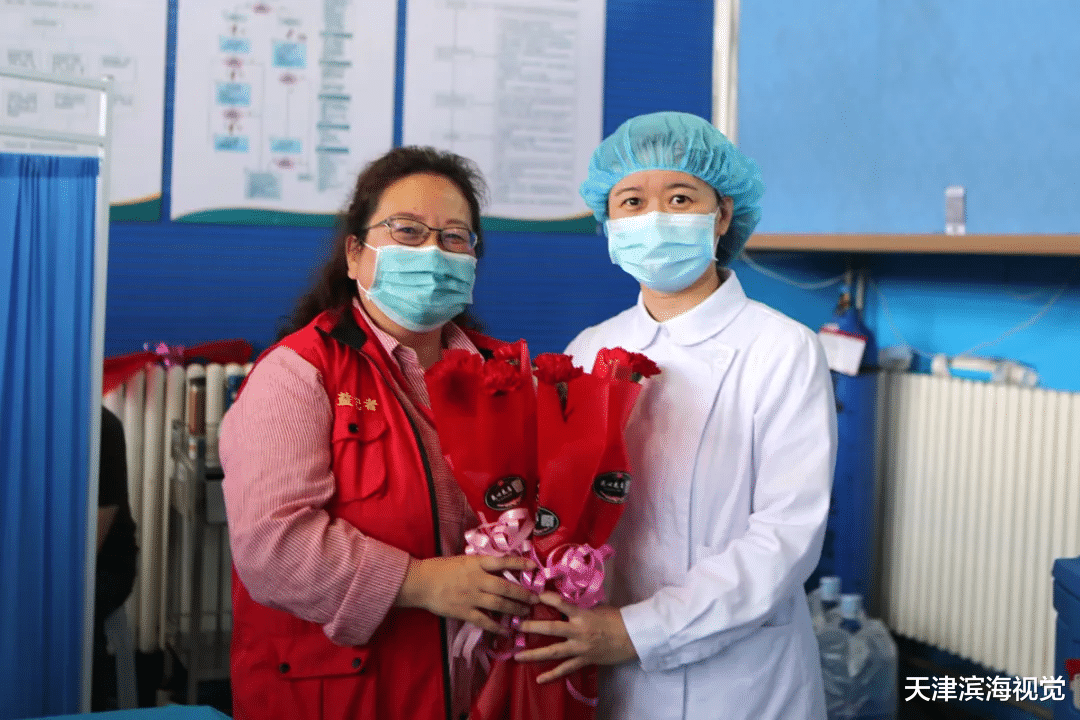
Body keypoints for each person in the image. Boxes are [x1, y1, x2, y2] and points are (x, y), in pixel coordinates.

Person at [515, 111, 838, 719]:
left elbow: (785, 538)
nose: (654, 218)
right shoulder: (588, 350)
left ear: (721, 216)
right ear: (608, 224)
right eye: (631, 201)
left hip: (743, 680)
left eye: (680, 197)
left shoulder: (781, 348)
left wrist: (638, 631)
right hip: (610, 669)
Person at [219, 146, 539, 720]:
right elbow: (273, 547)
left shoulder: (508, 374)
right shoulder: (298, 374)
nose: (433, 253)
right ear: (354, 255)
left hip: (484, 692)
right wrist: (418, 582)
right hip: (345, 695)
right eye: (407, 232)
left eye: (454, 238)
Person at [93, 406, 139, 711]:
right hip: (63, 562)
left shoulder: (104, 428)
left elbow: (91, 544)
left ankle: (85, 704)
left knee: (72, 606)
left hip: (106, 564)